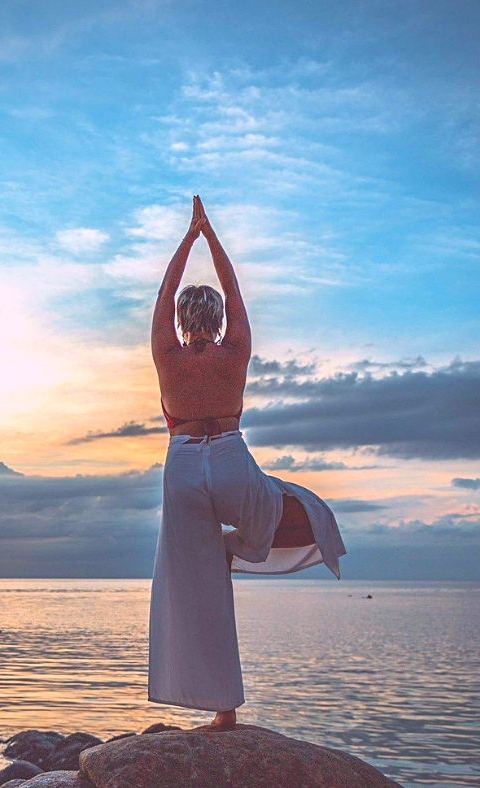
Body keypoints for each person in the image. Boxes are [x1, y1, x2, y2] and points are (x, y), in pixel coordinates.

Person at [147, 195, 347, 732]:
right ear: (216, 319)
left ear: (183, 321)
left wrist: (186, 238)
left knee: (197, 583)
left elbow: (164, 295)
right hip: (230, 456)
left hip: (184, 464)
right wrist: (210, 236)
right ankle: (244, 548)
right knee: (276, 508)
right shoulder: (234, 351)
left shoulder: (167, 355)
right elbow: (233, 292)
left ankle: (221, 705)